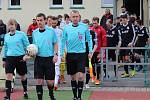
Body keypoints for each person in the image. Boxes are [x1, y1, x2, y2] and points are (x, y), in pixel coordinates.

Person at [61, 10, 93, 100]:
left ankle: (79, 97)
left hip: (81, 54)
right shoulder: (66, 28)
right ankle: (75, 96)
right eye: (73, 17)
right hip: (70, 54)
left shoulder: (84, 27)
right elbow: (63, 41)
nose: (75, 18)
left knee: (81, 76)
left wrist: (90, 51)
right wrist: (61, 53)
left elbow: (89, 40)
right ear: (70, 18)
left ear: (79, 17)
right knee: (73, 77)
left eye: (76, 16)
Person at [32, 13, 58, 100]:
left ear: (45, 21)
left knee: (50, 82)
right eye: (38, 20)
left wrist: (56, 54)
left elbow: (55, 43)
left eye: (41, 20)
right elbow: (34, 47)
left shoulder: (51, 31)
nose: (39, 22)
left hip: (49, 59)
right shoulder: (34, 33)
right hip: (39, 59)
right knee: (39, 80)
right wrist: (32, 53)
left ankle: (51, 93)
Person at [2, 19, 30, 100]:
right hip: (9, 58)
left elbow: (27, 46)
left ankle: (25, 91)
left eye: (12, 24)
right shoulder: (6, 36)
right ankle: (8, 96)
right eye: (9, 25)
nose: (11, 26)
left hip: (20, 58)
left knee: (23, 76)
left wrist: (27, 55)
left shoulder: (21, 34)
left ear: (16, 25)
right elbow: (5, 48)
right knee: (8, 76)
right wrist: (4, 59)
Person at [90, 17, 107, 85]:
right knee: (92, 64)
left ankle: (98, 78)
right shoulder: (91, 29)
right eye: (93, 23)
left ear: (98, 22)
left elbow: (104, 42)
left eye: (95, 23)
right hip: (92, 50)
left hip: (99, 50)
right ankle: (93, 76)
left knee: (98, 65)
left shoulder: (102, 30)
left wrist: (102, 52)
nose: (94, 24)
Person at [82, 19, 97, 89]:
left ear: (88, 25)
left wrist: (91, 52)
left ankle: (87, 83)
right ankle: (80, 83)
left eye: (86, 24)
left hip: (89, 53)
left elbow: (96, 44)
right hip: (81, 53)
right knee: (80, 69)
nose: (85, 26)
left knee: (88, 69)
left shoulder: (93, 33)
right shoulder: (80, 32)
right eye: (83, 24)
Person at [51, 16, 63, 90]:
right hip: (49, 51)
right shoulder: (48, 30)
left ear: (57, 22)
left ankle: (55, 83)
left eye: (55, 22)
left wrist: (62, 52)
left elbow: (63, 42)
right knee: (50, 68)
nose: (54, 23)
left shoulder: (60, 31)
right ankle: (52, 82)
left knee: (56, 67)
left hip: (58, 51)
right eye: (53, 22)